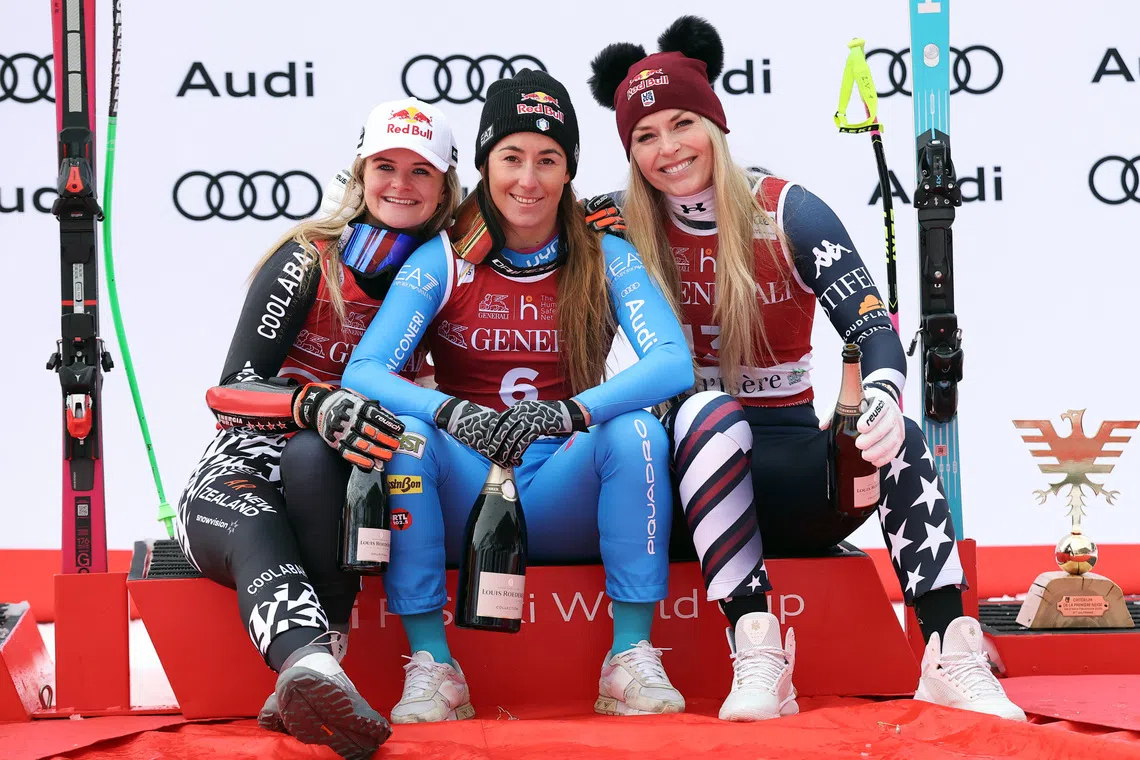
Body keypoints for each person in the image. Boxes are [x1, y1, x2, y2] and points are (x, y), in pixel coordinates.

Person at [587, 16, 1025, 723]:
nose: (668, 149)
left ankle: (950, 649)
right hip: (681, 498)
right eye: (645, 135)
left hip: (798, 481)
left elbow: (873, 328)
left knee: (899, 431)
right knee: (701, 410)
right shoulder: (612, 222)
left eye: (682, 123)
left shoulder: (783, 209)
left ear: (715, 124)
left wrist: (882, 389)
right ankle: (758, 652)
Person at [340, 69, 694, 722]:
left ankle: (630, 659)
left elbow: (674, 363)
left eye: (548, 160)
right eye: (511, 157)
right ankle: (432, 667)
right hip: (470, 490)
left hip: (563, 482)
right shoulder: (444, 259)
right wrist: (450, 412)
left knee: (637, 431)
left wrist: (572, 411)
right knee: (409, 436)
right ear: (482, 165)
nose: (527, 180)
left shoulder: (603, 249)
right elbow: (364, 373)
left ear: (569, 171)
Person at [173, 97, 462, 758]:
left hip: (370, 471)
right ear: (359, 174)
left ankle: (315, 669)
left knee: (317, 458)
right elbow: (229, 392)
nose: (399, 184)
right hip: (249, 457)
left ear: (445, 186)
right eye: (384, 165)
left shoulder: (449, 275)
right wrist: (312, 403)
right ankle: (316, 669)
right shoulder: (309, 257)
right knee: (248, 508)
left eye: (421, 171)